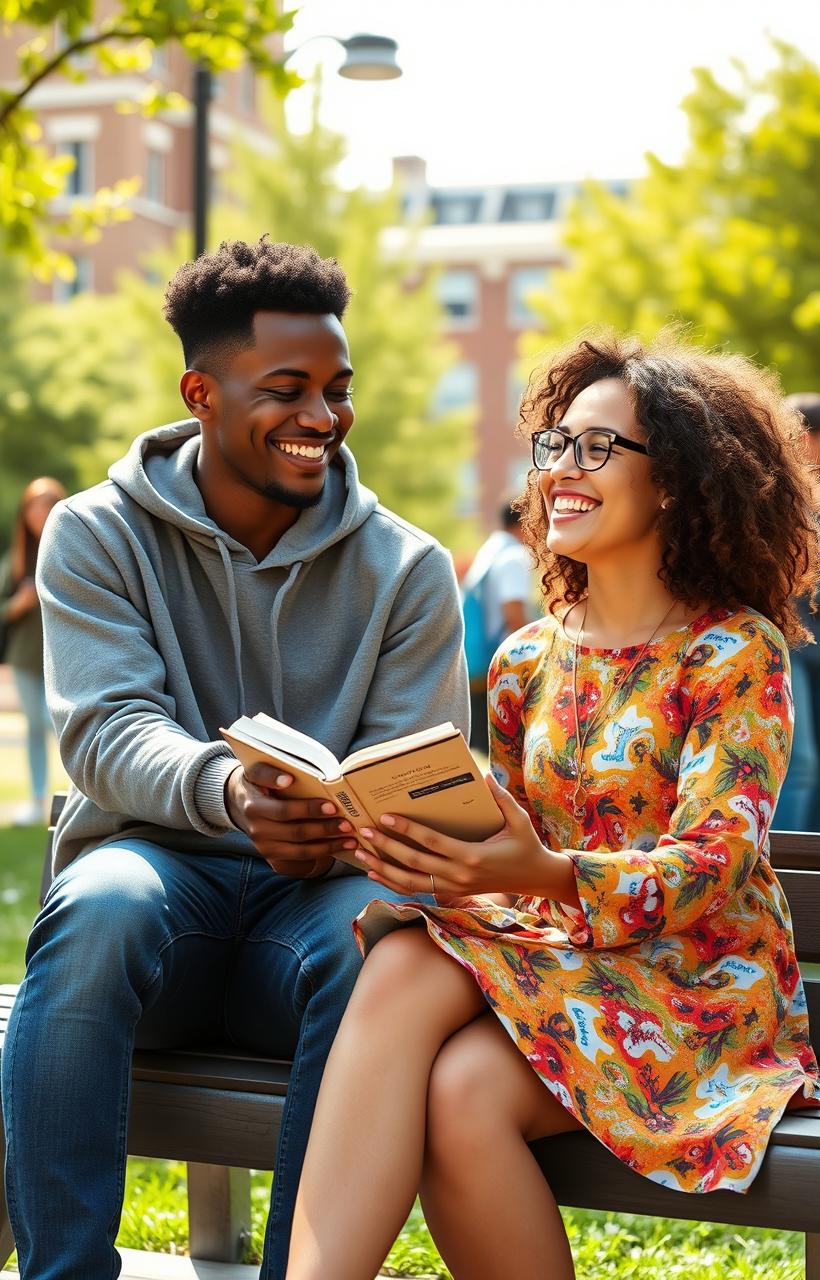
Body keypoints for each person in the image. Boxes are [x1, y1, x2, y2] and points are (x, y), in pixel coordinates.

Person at [286, 333, 820, 1280]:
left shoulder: (735, 653)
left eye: (597, 448)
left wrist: (537, 871)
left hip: (696, 990)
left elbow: (718, 859)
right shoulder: (524, 660)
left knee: (445, 1054)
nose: (560, 471)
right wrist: (423, 846)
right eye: (555, 446)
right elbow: (517, 844)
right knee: (421, 991)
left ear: (674, 482)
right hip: (562, 962)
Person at [0, 237, 469, 1280]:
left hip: (305, 924)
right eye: (288, 388)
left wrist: (354, 824)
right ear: (201, 392)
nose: (322, 416)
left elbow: (417, 774)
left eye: (338, 390)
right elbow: (108, 729)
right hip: (156, 898)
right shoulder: (94, 532)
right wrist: (227, 791)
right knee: (100, 901)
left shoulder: (409, 568)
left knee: (372, 951)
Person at [773, 393, 820, 833]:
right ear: (808, 437)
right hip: (789, 643)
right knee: (800, 765)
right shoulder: (779, 493)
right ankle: (791, 864)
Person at [0, 477, 67, 825]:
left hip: (66, 655)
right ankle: (37, 798)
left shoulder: (72, 545)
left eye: (46, 504)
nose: (39, 513)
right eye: (33, 506)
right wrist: (19, 604)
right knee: (33, 726)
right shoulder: (17, 560)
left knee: (58, 723)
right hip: (26, 659)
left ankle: (80, 794)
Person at [461, 496, 536, 753]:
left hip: (476, 660)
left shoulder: (490, 550)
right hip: (500, 662)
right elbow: (513, 613)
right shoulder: (514, 556)